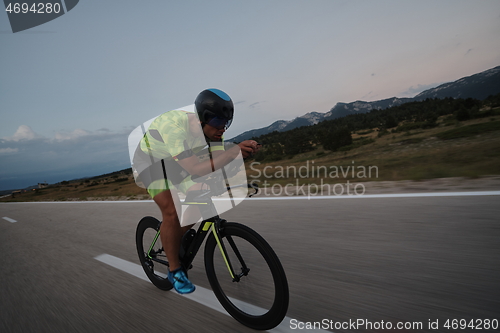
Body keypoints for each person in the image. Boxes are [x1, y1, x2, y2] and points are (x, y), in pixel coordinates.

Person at [136, 89, 259, 294]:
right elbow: (195, 168)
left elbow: (216, 165)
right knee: (172, 211)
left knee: (201, 195)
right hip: (151, 163)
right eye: (219, 122)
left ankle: (173, 239)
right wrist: (234, 151)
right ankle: (174, 271)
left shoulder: (214, 132)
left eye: (227, 122)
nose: (223, 128)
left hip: (176, 163)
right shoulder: (174, 126)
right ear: (203, 118)